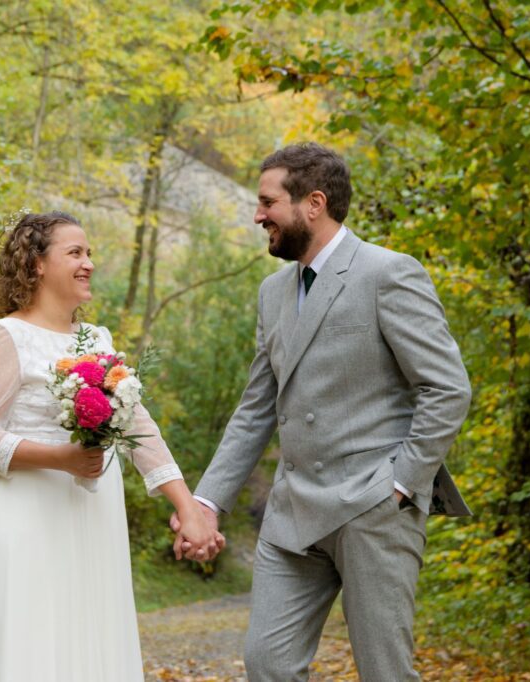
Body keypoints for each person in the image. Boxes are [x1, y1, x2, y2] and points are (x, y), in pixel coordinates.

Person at [172, 143, 473, 681]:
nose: (258, 215)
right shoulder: (272, 293)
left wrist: (403, 483)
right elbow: (256, 409)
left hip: (372, 507)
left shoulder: (389, 273)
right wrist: (207, 500)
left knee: (386, 673)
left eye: (268, 202)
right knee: (268, 664)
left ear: (314, 203)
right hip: (291, 514)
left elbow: (447, 388)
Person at [0, 211, 222, 681]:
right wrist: (62, 459)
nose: (88, 262)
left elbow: (139, 426)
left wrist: (187, 506)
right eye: (75, 252)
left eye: (89, 253)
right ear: (36, 264)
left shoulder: (96, 340)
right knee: (29, 652)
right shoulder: (3, 337)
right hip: (23, 523)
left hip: (91, 524)